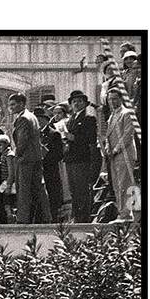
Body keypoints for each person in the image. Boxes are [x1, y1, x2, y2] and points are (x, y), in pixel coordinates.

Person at [8, 92, 51, 224]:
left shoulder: (23, 118)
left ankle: (23, 219)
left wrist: (17, 155)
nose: (11, 108)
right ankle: (46, 217)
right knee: (39, 189)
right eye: (10, 105)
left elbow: (22, 141)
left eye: (13, 104)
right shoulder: (31, 116)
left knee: (24, 191)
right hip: (36, 158)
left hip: (26, 159)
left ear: (21, 104)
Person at [103, 88, 139, 220]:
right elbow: (108, 136)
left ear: (121, 99)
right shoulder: (112, 115)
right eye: (110, 99)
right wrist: (108, 148)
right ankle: (122, 211)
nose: (112, 101)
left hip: (124, 153)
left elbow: (127, 135)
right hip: (113, 155)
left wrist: (116, 149)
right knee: (117, 184)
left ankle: (127, 213)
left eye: (115, 98)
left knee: (125, 184)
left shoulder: (127, 113)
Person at [64, 90, 98, 223]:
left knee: (82, 189)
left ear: (85, 103)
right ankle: (76, 217)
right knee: (73, 190)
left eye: (79, 101)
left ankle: (84, 218)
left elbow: (91, 139)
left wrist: (74, 138)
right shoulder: (71, 119)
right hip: (70, 158)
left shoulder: (89, 119)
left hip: (81, 159)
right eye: (74, 102)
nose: (76, 104)